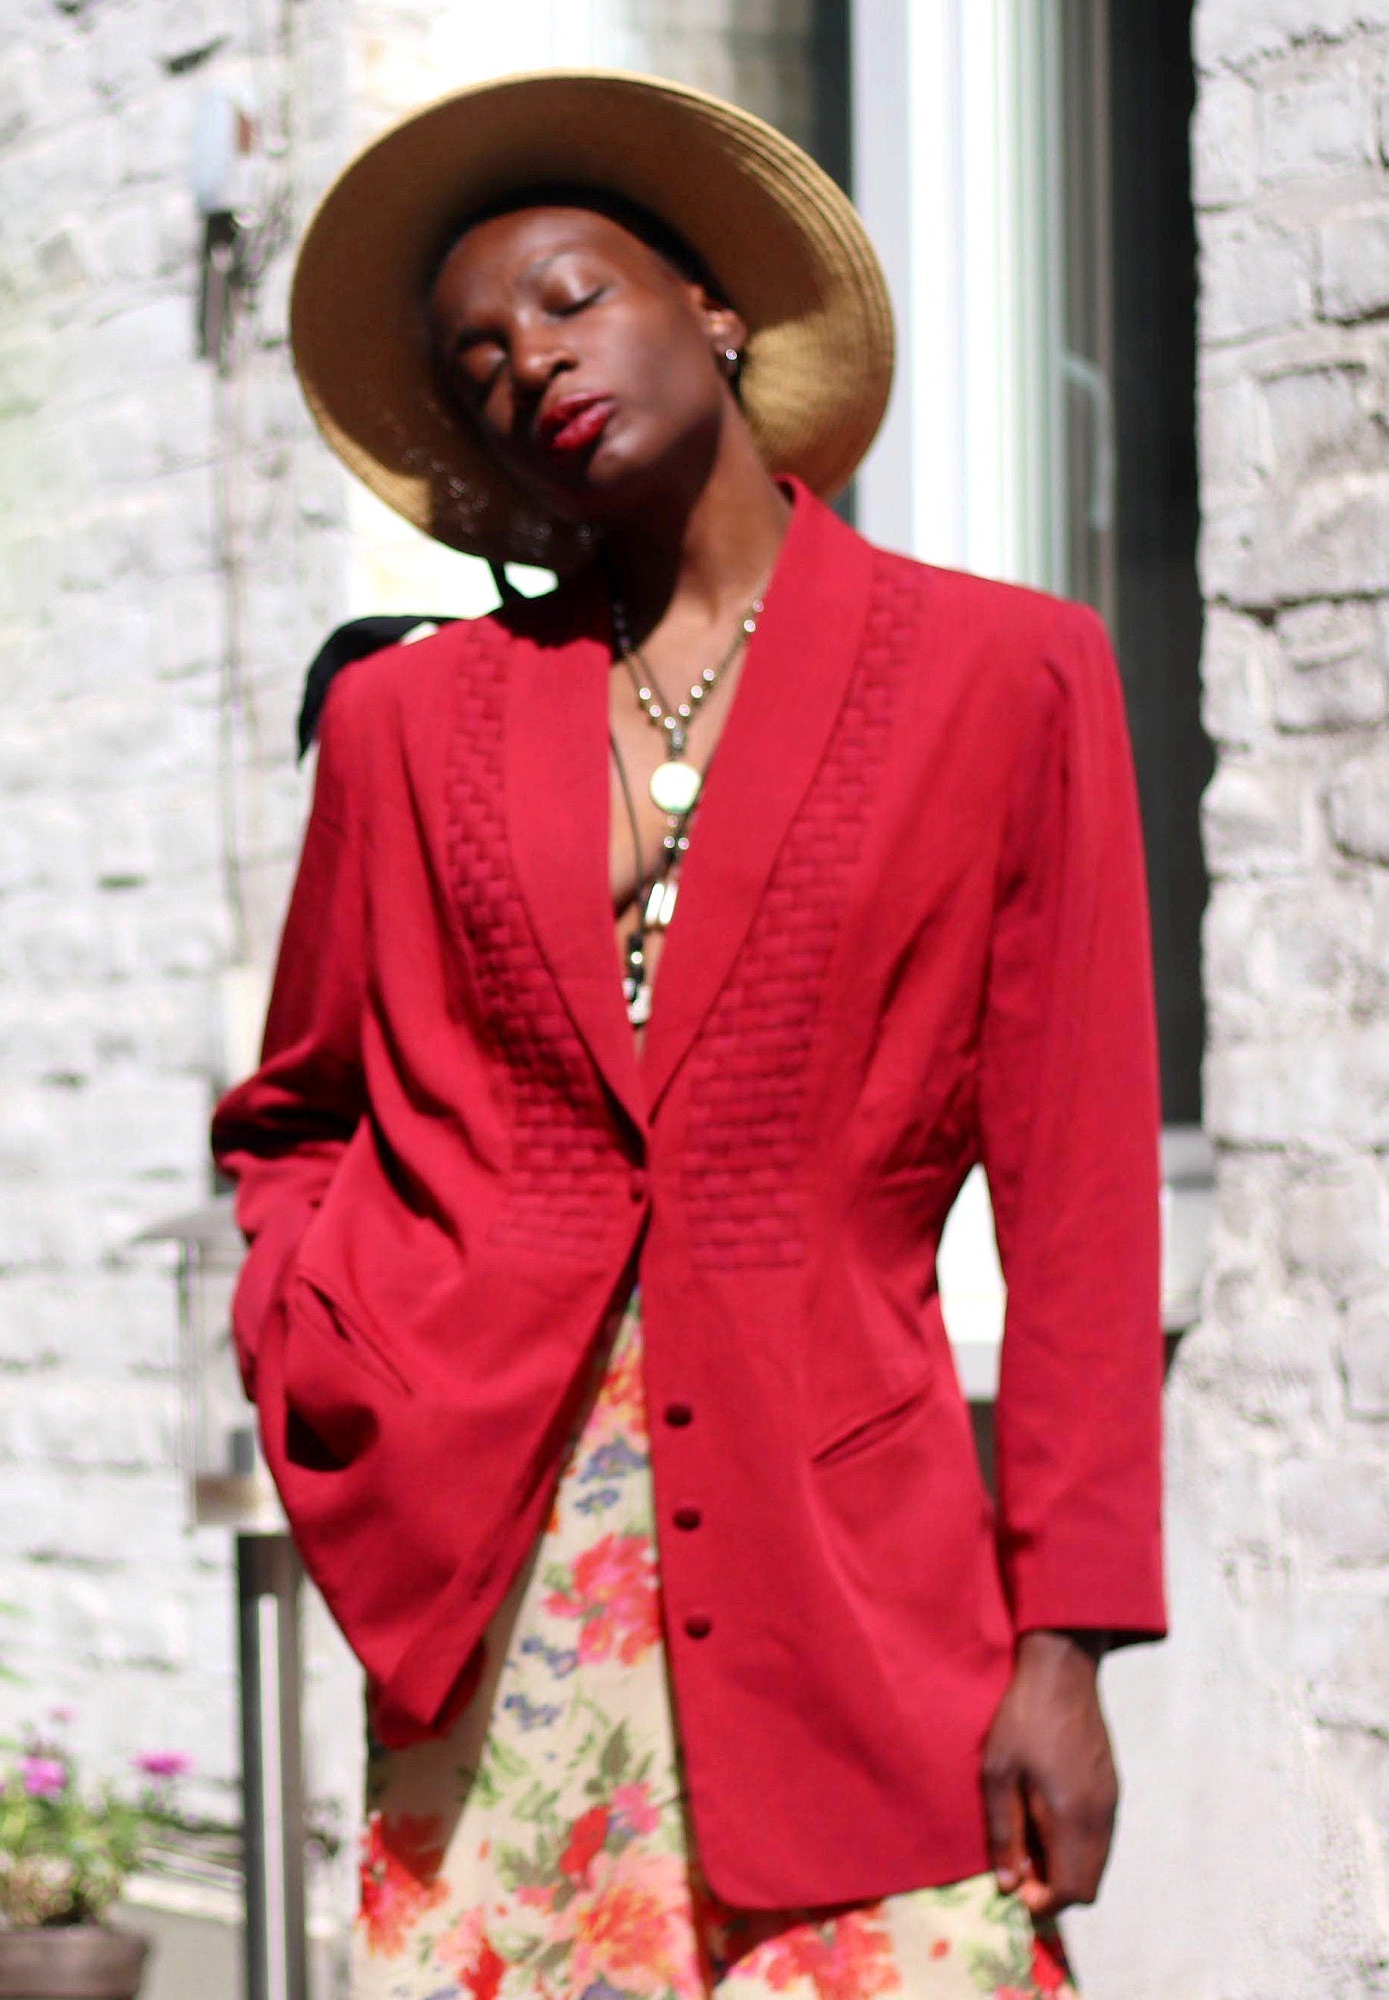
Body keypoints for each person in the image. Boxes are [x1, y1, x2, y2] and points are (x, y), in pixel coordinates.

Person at [209, 71, 1166, 2000]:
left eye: (568, 297)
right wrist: (320, 1329)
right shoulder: (411, 730)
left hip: (856, 1574)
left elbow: (1079, 1199)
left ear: (715, 307)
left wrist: (1065, 1643)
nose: (528, 365)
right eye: (479, 360)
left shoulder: (1008, 678)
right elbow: (294, 1113)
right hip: (496, 1583)